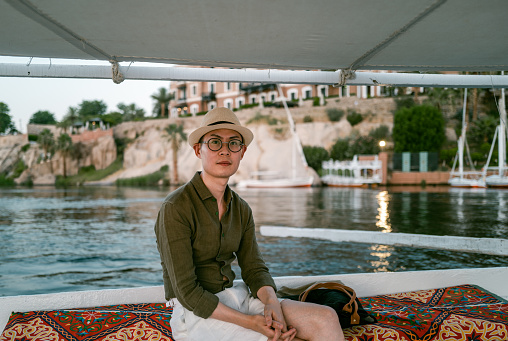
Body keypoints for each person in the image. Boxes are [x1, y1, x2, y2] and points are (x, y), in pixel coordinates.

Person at [154, 107, 345, 341]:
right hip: (196, 313)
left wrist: (271, 303)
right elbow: (187, 292)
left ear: (242, 153)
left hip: (237, 297)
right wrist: (251, 324)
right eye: (214, 142)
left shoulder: (241, 208)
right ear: (198, 150)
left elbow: (254, 269)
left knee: (325, 318)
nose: (225, 151)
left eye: (233, 143)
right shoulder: (176, 207)